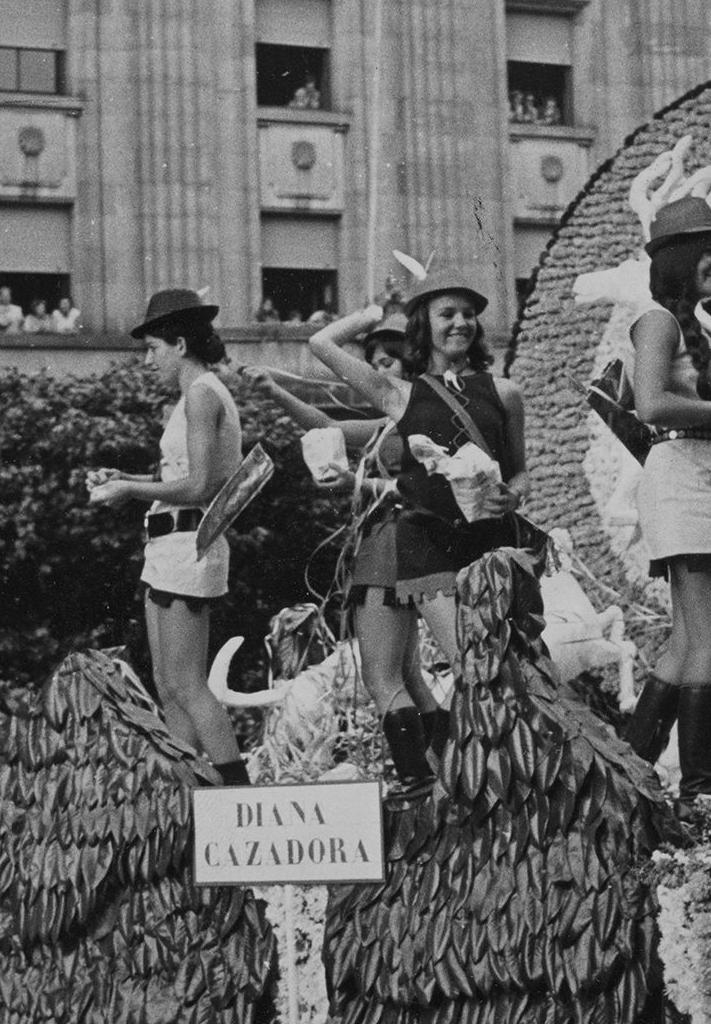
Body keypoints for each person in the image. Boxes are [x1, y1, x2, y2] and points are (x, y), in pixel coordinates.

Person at [307, 272, 531, 792]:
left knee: (482, 668)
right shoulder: (398, 393)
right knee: (457, 664)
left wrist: (514, 494)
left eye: (467, 313)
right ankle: (422, 782)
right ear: (422, 326)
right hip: (425, 544)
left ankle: (487, 773)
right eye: (445, 313)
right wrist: (373, 311)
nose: (460, 323)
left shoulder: (505, 392)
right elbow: (320, 343)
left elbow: (519, 470)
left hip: (488, 547)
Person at [243, 313, 448, 760]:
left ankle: (418, 780)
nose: (377, 373)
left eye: (387, 363)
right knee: (409, 675)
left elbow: (416, 487)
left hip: (391, 547)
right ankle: (443, 764)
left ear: (410, 365)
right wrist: (278, 392)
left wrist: (355, 484)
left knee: (381, 676)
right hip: (404, 546)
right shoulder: (391, 425)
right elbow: (324, 427)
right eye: (372, 363)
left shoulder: (412, 418)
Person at [619, 196, 711, 803]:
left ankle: (629, 776)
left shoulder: (695, 328)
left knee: (689, 640)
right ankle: (700, 791)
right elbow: (650, 406)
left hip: (699, 473)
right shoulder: (656, 321)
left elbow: (689, 414)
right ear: (677, 259)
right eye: (707, 250)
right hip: (681, 477)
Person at [88, 289, 252, 787]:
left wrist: (128, 488)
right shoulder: (192, 397)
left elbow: (201, 485)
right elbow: (181, 479)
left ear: (180, 344)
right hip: (168, 547)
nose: (148, 359)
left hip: (189, 546)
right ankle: (184, 792)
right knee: (167, 684)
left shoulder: (202, 394)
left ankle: (239, 796)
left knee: (186, 684)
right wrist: (127, 478)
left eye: (154, 348)